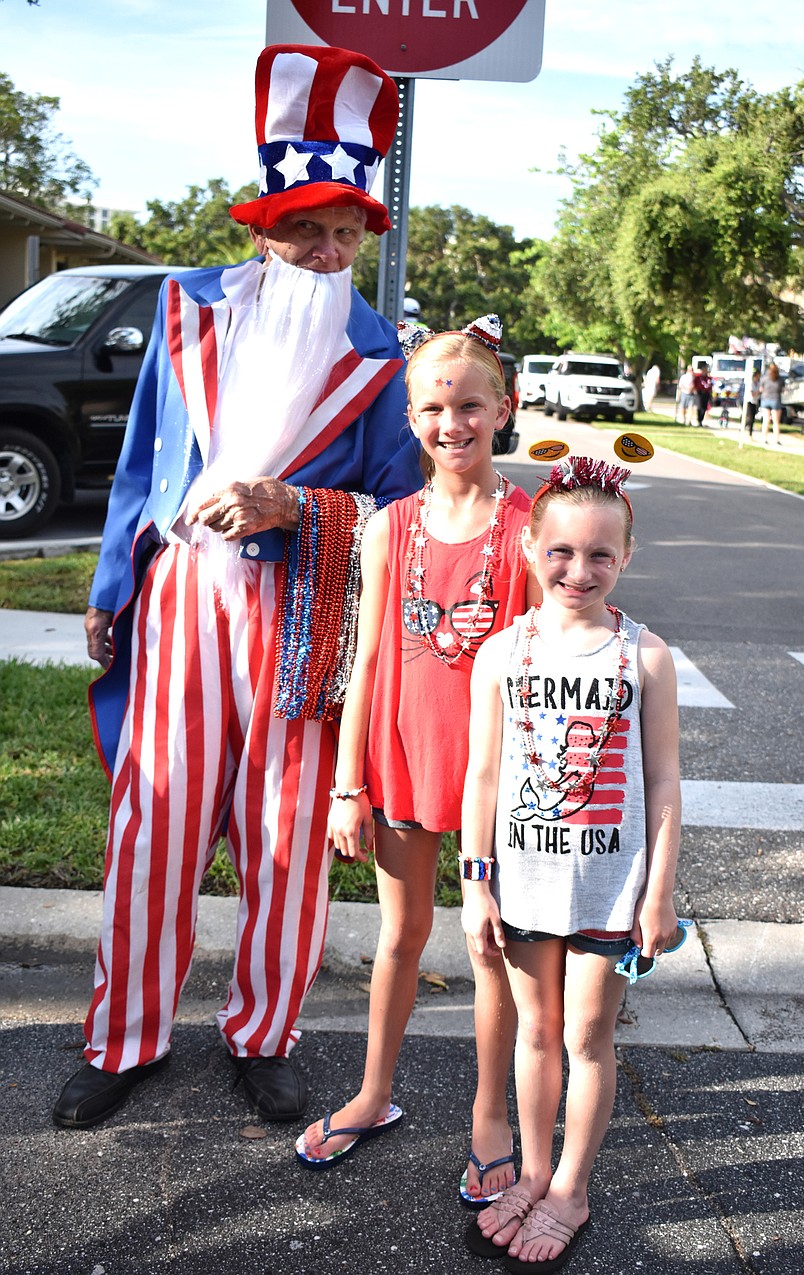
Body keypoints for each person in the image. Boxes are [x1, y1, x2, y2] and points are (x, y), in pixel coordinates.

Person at [52, 44, 422, 1132]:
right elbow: (141, 463)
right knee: (153, 823)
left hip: (300, 617)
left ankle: (264, 1035)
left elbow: (396, 513)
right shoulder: (184, 313)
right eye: (304, 225)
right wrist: (111, 585)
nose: (324, 248)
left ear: (363, 241)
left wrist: (294, 509)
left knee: (287, 835)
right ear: (264, 228)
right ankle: (124, 1036)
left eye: (344, 230)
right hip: (180, 605)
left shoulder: (381, 354)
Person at [294, 316, 538, 1209]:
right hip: (400, 759)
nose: (453, 423)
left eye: (471, 405)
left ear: (503, 409)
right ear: (410, 416)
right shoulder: (389, 525)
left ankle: (489, 1117)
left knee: (487, 943)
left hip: (497, 777)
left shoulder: (527, 528)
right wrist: (347, 783)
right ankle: (373, 1090)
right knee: (399, 936)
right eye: (434, 407)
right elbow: (364, 663)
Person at [461, 457, 681, 1272]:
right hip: (522, 881)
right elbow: (482, 774)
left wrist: (657, 893)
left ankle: (572, 1188)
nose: (578, 570)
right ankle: (533, 1168)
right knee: (537, 1031)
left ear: (626, 556)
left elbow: (663, 782)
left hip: (609, 887)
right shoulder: (500, 653)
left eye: (599, 555)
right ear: (528, 545)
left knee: (588, 1034)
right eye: (560, 551)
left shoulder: (645, 656)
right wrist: (475, 879)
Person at [760, 362, 784, 444]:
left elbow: (761, 389)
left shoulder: (765, 378)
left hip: (765, 399)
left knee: (766, 420)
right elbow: (783, 390)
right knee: (776, 422)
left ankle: (764, 439)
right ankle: (777, 440)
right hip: (776, 400)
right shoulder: (780, 379)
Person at [692, 361, 713, 426]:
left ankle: (701, 420)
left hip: (706, 393)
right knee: (699, 406)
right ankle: (699, 419)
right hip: (699, 393)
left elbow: (710, 386)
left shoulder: (709, 378)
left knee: (704, 407)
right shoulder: (698, 378)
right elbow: (695, 385)